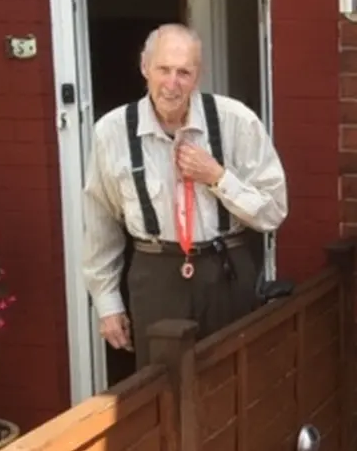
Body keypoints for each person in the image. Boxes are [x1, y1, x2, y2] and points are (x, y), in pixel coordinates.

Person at [81, 23, 288, 369]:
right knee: (162, 392)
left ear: (198, 76)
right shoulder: (112, 132)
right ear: (145, 68)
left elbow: (274, 211)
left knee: (233, 383)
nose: (172, 83)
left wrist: (218, 177)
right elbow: (101, 221)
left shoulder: (236, 121)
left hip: (226, 272)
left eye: (183, 73)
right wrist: (108, 303)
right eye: (163, 69)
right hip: (155, 275)